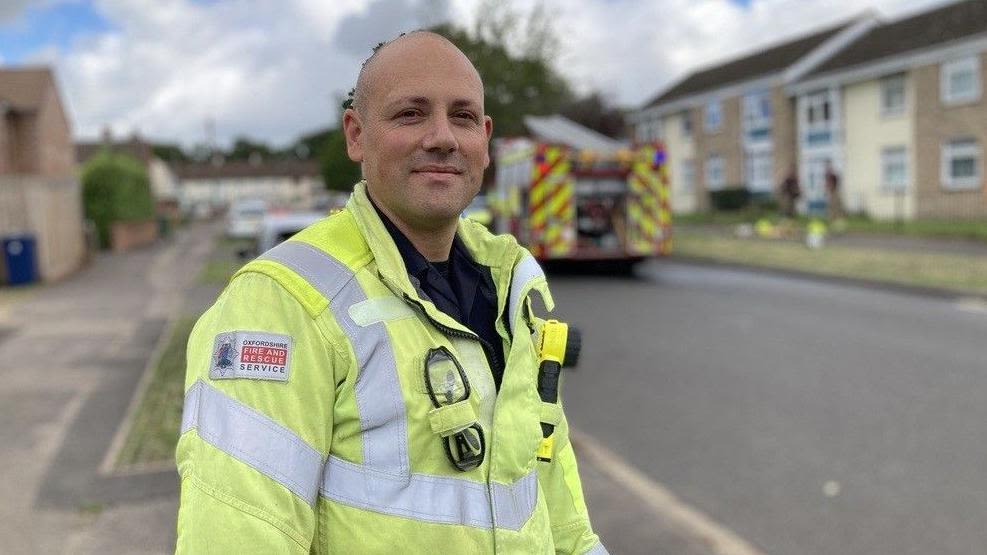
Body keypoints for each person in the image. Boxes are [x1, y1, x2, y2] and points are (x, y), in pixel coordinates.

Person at [175, 31, 606, 554]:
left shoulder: (513, 284)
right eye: (411, 114)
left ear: (485, 140)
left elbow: (549, 473)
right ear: (356, 135)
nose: (443, 137)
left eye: (463, 117)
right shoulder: (281, 303)